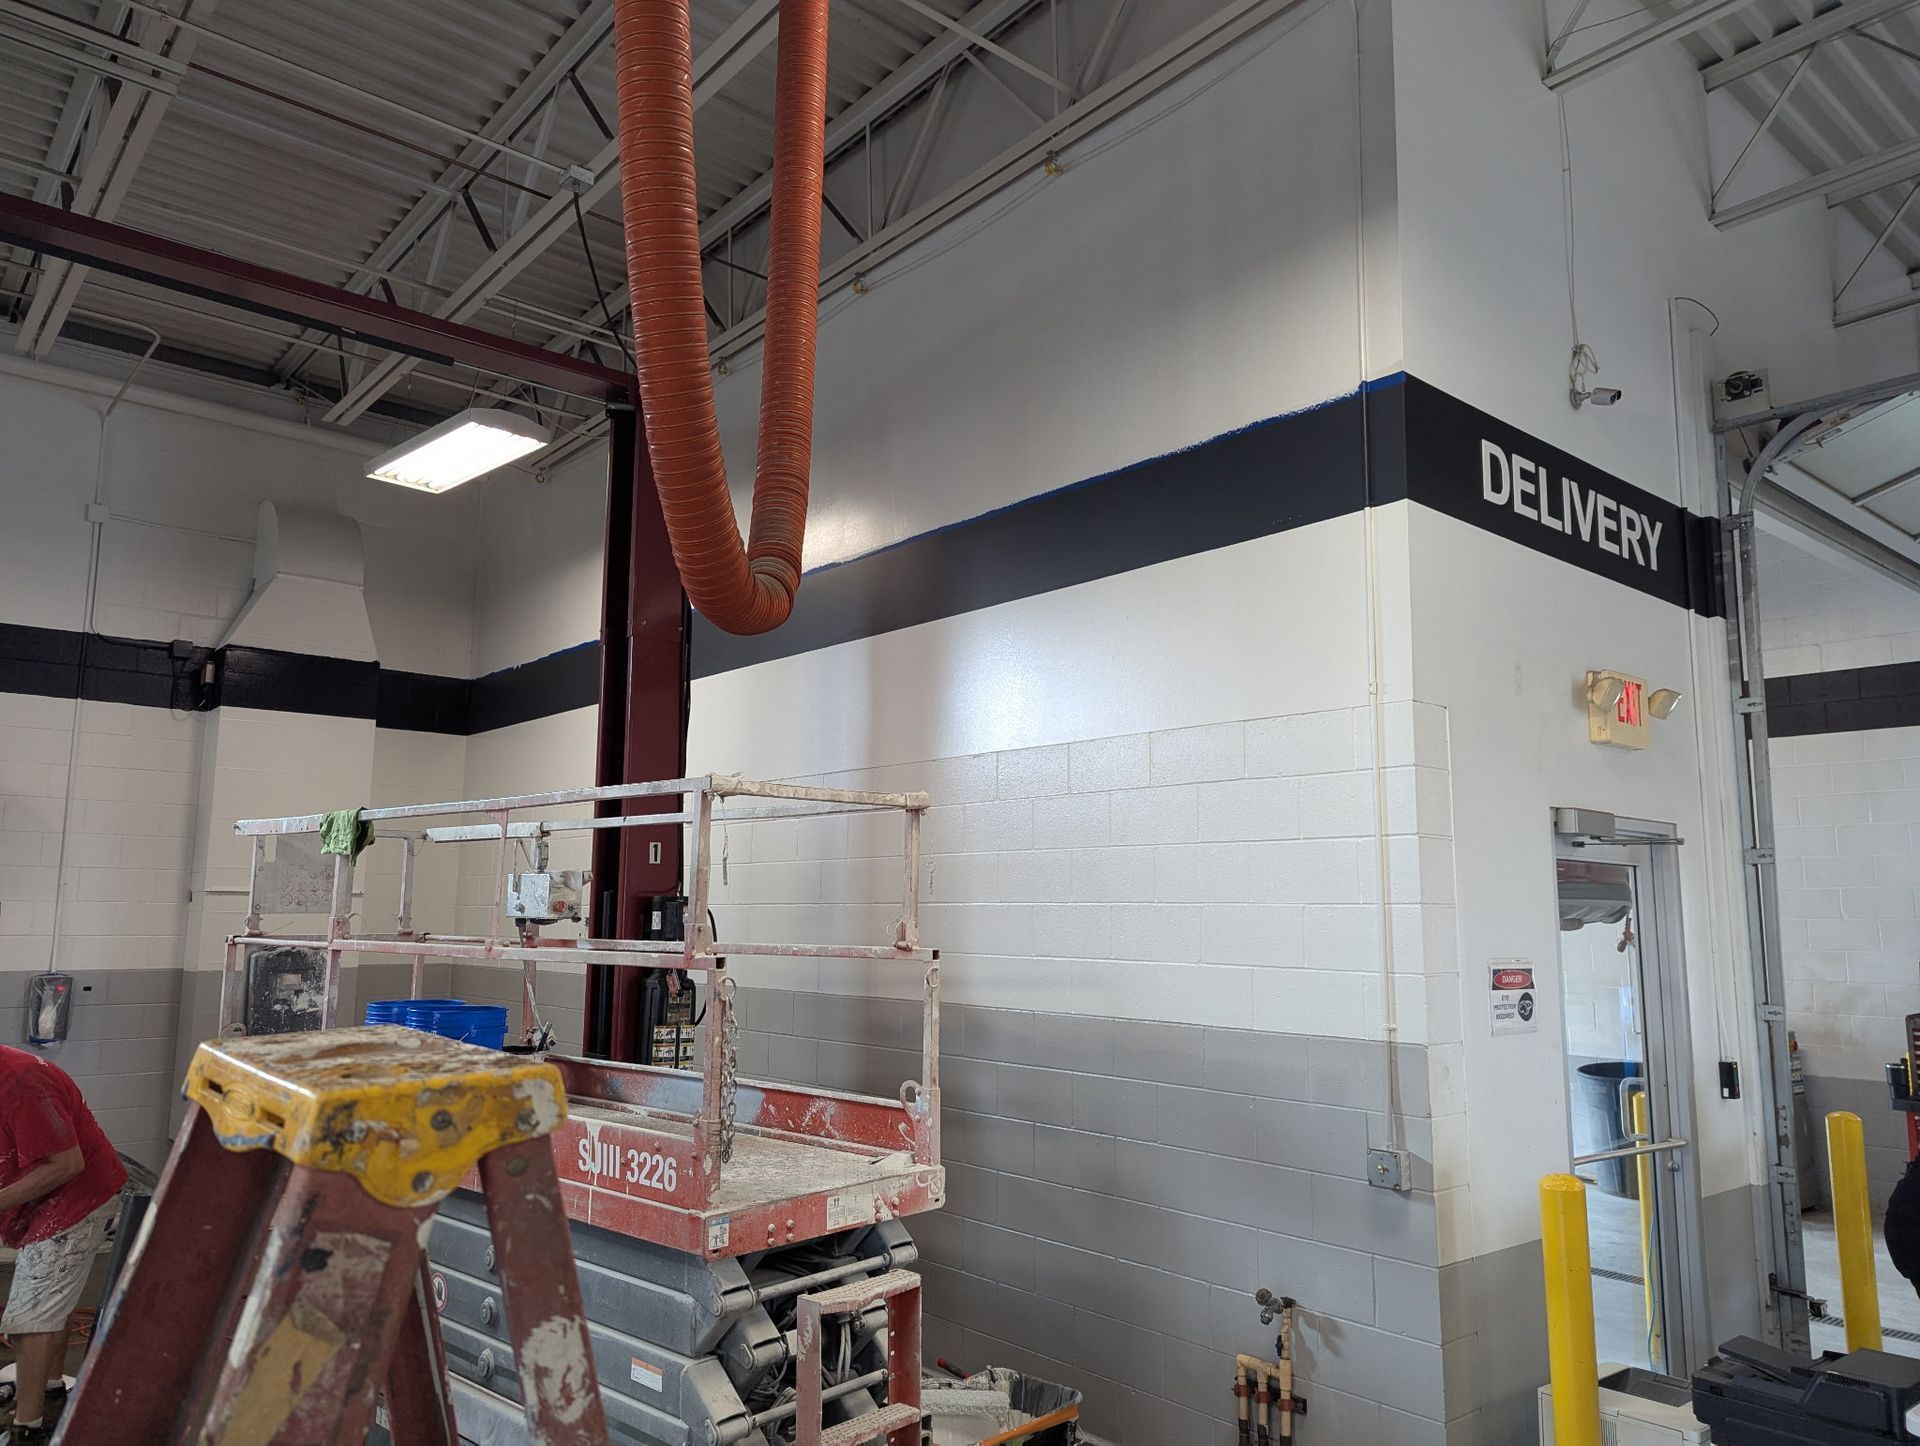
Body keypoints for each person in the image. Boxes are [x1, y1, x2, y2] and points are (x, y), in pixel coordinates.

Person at [0, 1047, 125, 1446]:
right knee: (55, 1300)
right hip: (46, 1197)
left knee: (30, 1318)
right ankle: (51, 1391)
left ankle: (28, 1427)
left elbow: (66, 1164)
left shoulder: (22, 1081)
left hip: (75, 1198)